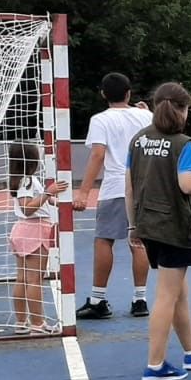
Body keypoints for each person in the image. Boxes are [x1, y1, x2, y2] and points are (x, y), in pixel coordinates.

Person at [125, 82, 191, 380]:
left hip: (148, 224)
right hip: (175, 227)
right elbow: (186, 183)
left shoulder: (137, 140)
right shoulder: (182, 143)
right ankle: (155, 364)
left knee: (177, 291)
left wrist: (132, 224)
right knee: (165, 296)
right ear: (183, 110)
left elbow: (130, 186)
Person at [74, 72, 153, 320]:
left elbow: (98, 154)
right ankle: (140, 299)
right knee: (138, 241)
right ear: (129, 93)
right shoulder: (146, 116)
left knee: (104, 239)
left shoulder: (101, 119)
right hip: (143, 186)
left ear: (103, 94)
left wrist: (84, 191)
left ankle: (98, 299)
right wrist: (146, 111)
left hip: (116, 186)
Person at [8, 142, 67, 335]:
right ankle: (38, 323)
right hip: (34, 229)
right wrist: (49, 192)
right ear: (31, 160)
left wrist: (62, 202)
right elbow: (27, 208)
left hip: (22, 230)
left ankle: (21, 322)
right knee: (34, 279)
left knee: (23, 279)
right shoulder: (28, 181)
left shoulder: (22, 180)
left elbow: (45, 200)